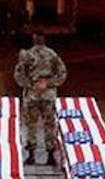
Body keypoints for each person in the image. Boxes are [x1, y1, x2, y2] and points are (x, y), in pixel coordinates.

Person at [14, 33, 67, 166]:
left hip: (32, 95)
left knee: (30, 124)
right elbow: (62, 74)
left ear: (33, 41)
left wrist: (31, 85)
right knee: (49, 124)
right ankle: (50, 155)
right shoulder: (53, 55)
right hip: (48, 95)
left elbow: (18, 75)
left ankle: (31, 155)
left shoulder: (27, 55)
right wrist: (48, 84)